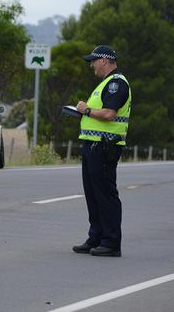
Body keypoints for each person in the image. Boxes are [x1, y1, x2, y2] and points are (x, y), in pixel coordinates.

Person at [72, 45, 131, 257]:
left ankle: (111, 242)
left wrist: (85, 110)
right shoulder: (105, 83)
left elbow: (109, 114)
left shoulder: (116, 84)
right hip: (93, 144)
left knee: (105, 194)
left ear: (104, 61)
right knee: (92, 194)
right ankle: (96, 237)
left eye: (93, 61)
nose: (91, 65)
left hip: (105, 147)